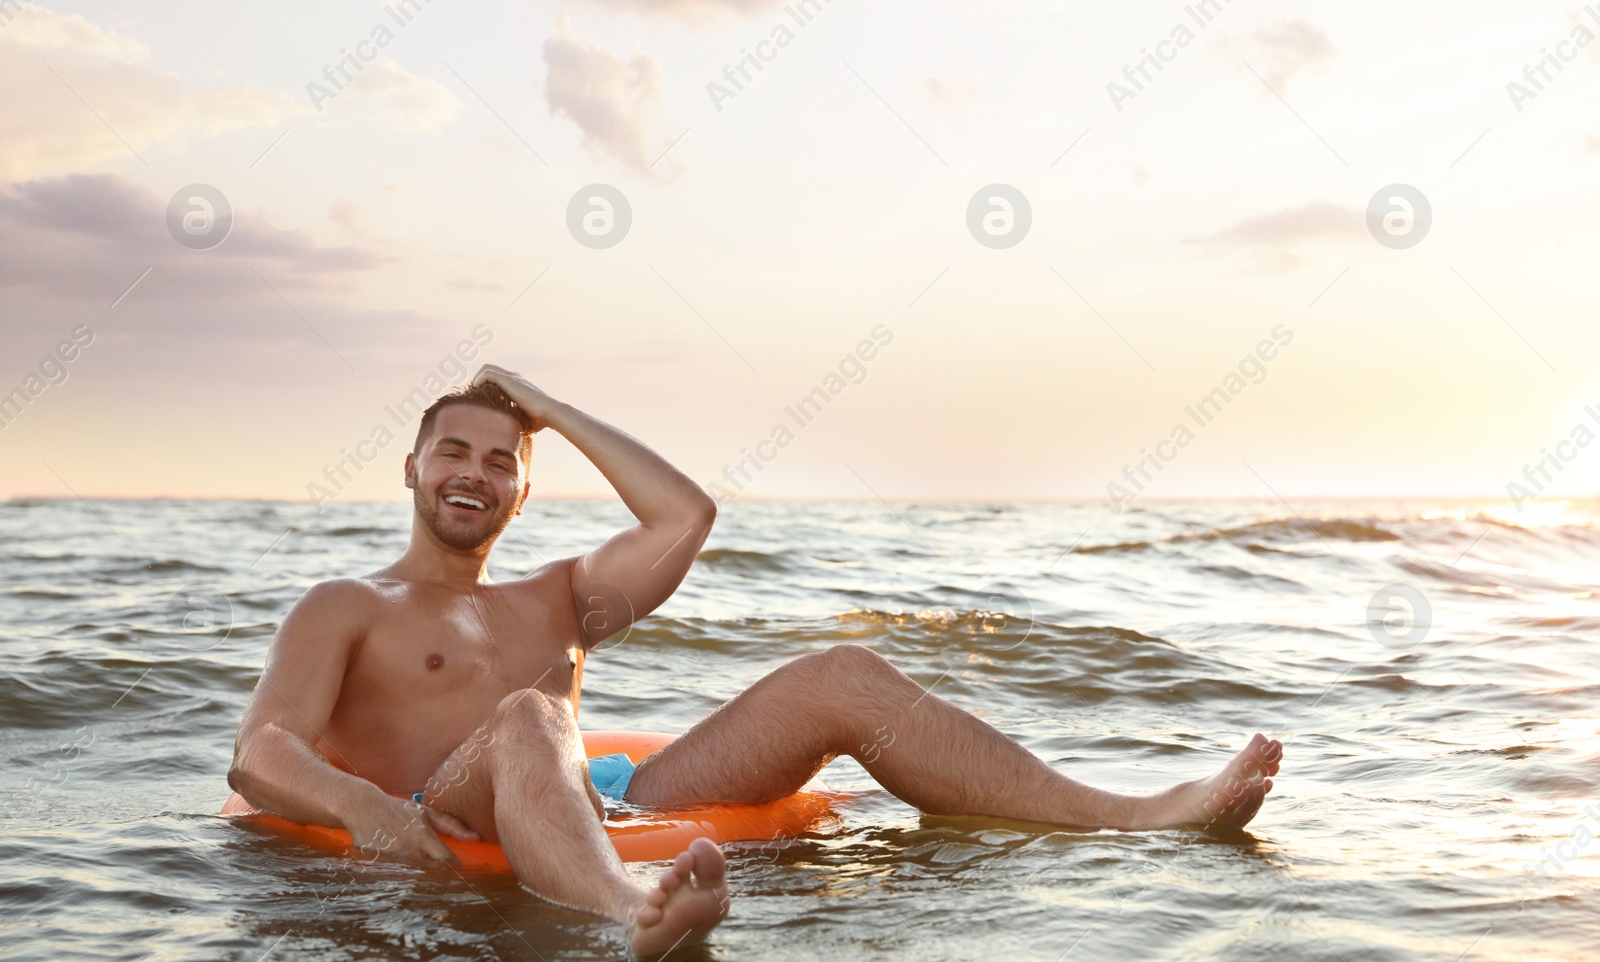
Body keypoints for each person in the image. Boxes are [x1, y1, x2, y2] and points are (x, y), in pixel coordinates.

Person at [228, 366, 1283, 956]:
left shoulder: (555, 596)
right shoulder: (346, 604)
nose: (475, 472)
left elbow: (686, 512)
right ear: (411, 468)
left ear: (522, 490)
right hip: (444, 805)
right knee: (528, 716)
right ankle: (629, 915)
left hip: (600, 799)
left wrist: (549, 407)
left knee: (841, 675)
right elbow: (260, 753)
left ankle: (1138, 815)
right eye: (452, 452)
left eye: (501, 460)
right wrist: (375, 815)